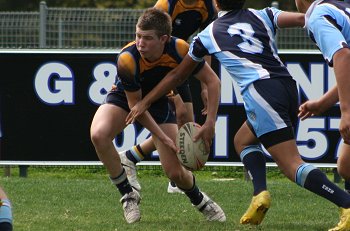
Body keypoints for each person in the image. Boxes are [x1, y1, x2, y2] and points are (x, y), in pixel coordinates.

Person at [125, 0, 350, 230]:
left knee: (291, 165)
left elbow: (177, 76)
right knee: (242, 140)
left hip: (261, 93)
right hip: (287, 86)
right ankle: (260, 194)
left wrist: (146, 101)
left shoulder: (208, 34)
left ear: (215, 2)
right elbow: (304, 18)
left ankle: (346, 204)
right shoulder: (264, 14)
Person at [90, 8, 225, 224]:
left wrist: (210, 123)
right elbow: (137, 109)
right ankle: (128, 194)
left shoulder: (180, 49)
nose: (140, 43)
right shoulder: (127, 58)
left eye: (147, 38)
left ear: (164, 39)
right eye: (138, 36)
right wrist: (162, 138)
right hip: (127, 98)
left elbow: (214, 81)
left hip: (160, 100)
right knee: (99, 134)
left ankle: (201, 201)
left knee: (175, 174)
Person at [119, 0, 217, 194]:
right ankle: (176, 178)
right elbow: (147, 34)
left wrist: (205, 86)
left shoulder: (208, 5)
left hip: (182, 61)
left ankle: (132, 156)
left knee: (187, 119)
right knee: (181, 115)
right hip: (161, 65)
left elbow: (205, 45)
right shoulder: (166, 5)